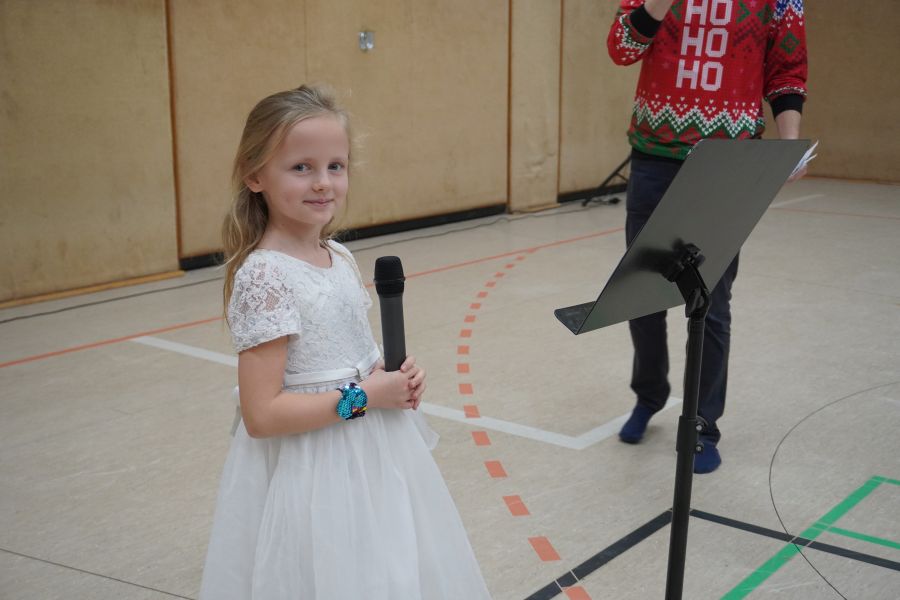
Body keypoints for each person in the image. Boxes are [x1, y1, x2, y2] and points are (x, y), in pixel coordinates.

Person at [199, 85, 491, 599]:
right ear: (254, 175)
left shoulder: (339, 256)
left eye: (336, 166)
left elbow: (355, 354)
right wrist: (364, 397)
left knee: (387, 570)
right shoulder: (265, 277)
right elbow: (261, 416)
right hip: (314, 468)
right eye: (301, 167)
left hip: (372, 451)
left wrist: (393, 376)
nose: (323, 182)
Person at [607, 0, 808, 473]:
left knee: (712, 302)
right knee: (642, 294)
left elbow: (787, 70)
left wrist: (790, 142)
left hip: (728, 163)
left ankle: (702, 424)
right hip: (655, 158)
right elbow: (621, 48)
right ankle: (649, 395)